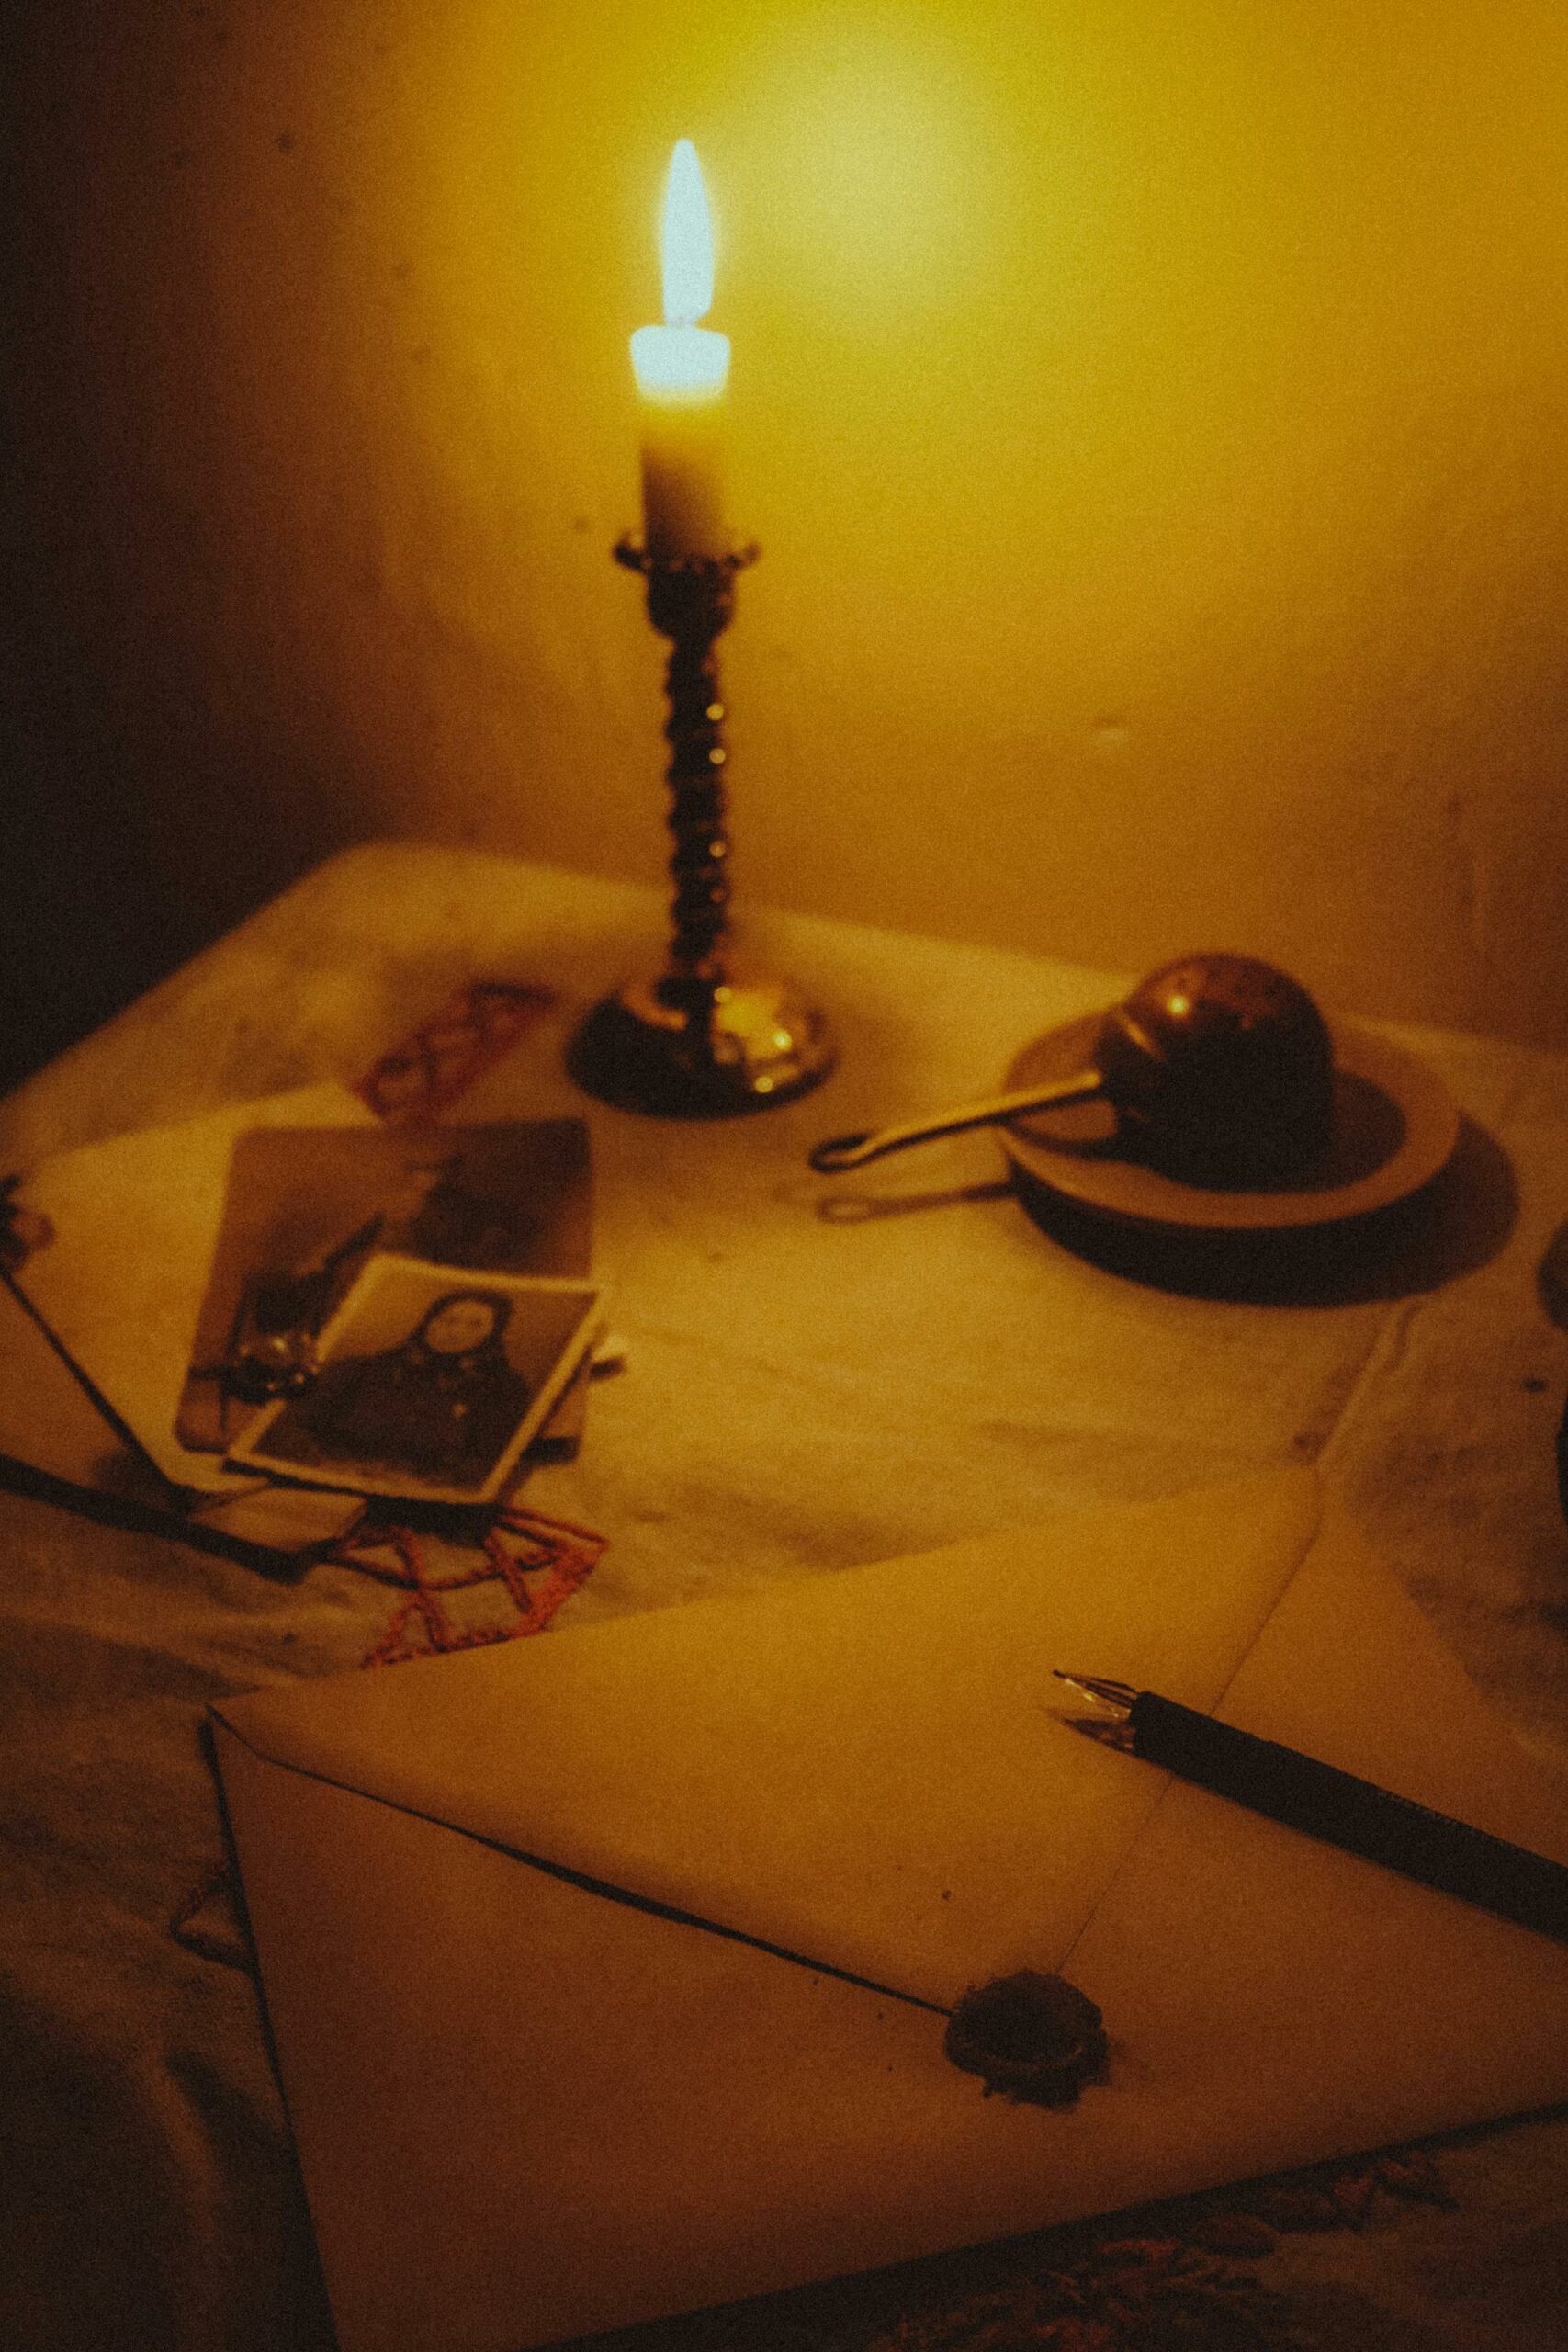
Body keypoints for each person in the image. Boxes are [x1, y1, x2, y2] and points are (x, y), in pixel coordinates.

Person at [271, 1287, 531, 1489]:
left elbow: (490, 1461)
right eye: (446, 1320)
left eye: (475, 1325)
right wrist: (321, 1464)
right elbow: (289, 1422)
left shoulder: (503, 1390)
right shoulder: (362, 1370)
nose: (454, 1331)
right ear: (427, 1323)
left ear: (494, 1333)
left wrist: (429, 1484)